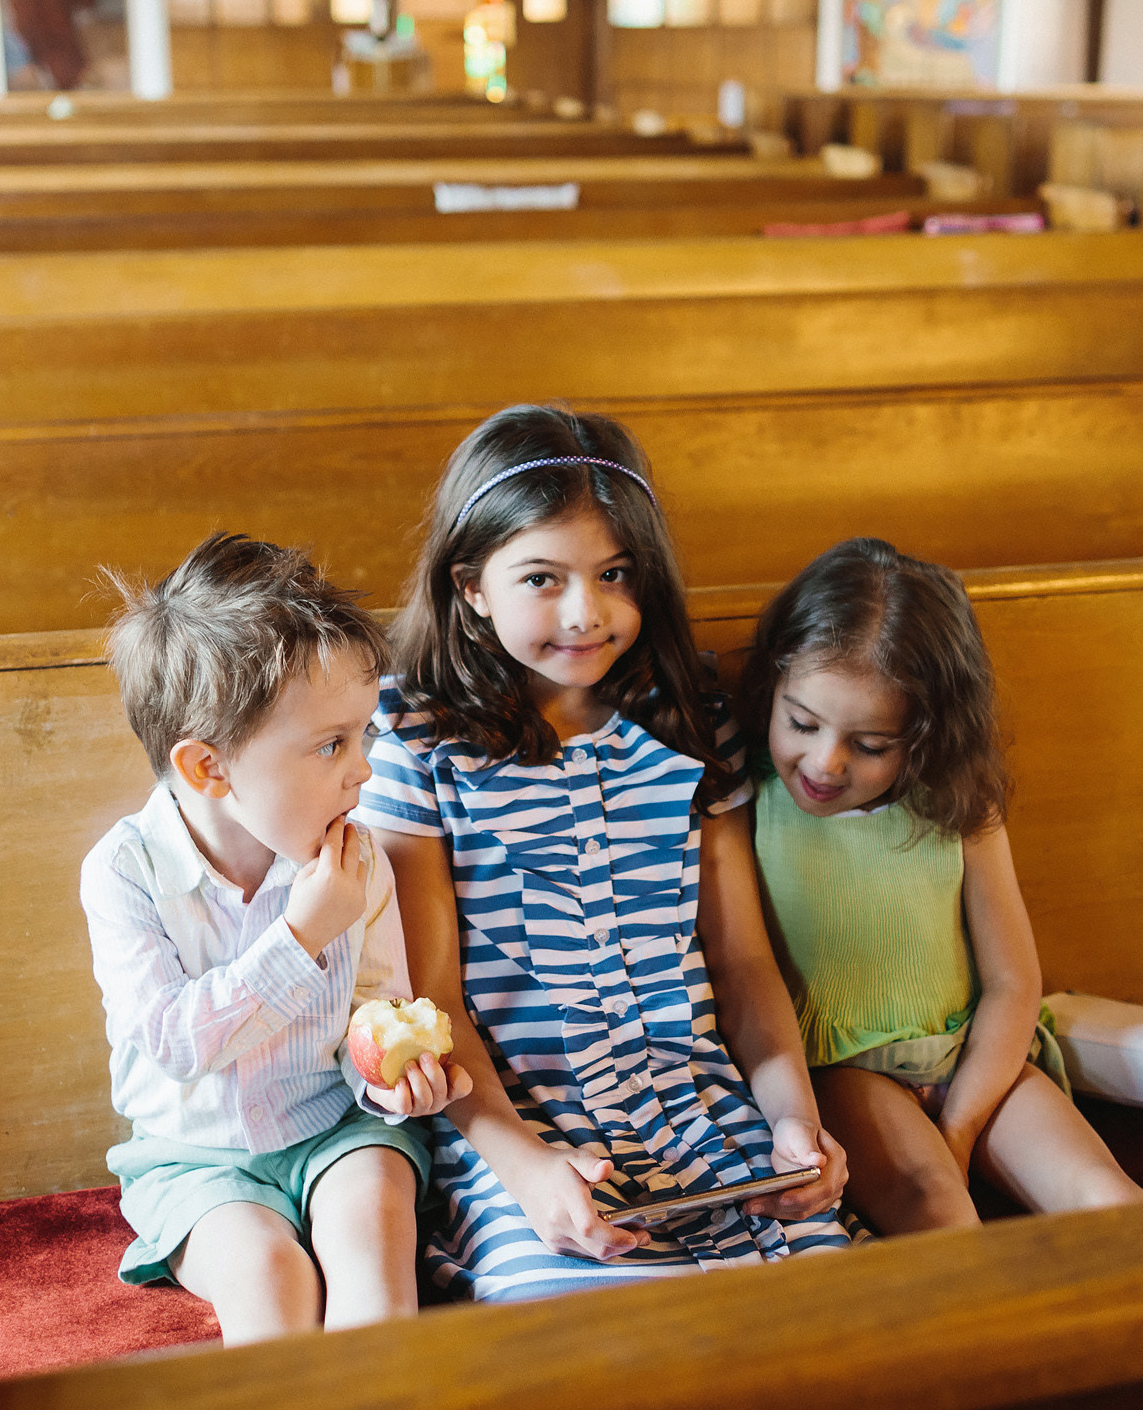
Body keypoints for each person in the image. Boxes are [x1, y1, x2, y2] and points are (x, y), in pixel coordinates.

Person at [356, 406, 854, 1302]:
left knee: (835, 1315)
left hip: (707, 1119)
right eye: (542, 578)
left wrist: (794, 1122)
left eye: (615, 574)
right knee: (588, 1337)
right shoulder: (417, 735)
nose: (586, 613)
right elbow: (433, 999)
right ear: (470, 584)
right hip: (516, 1133)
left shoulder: (688, 716)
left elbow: (741, 965)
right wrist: (526, 1168)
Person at [81, 534, 469, 1344]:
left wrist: (392, 1086)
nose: (363, 770)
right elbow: (175, 1041)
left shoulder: (353, 855)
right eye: (332, 744)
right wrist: (299, 935)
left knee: (370, 1237)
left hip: (336, 1126)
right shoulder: (125, 873)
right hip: (196, 1156)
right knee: (268, 1274)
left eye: (363, 735)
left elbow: (374, 1011)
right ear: (207, 769)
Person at [737, 538, 1143, 1235]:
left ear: (925, 734)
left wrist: (961, 1123)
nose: (825, 761)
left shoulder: (956, 808)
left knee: (1105, 1194)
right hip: (844, 1072)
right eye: (802, 722)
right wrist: (943, 1154)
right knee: (938, 1206)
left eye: (870, 745)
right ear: (773, 685)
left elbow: (1014, 982)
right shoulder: (749, 803)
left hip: (973, 1055)